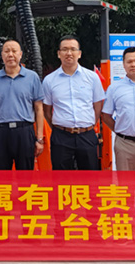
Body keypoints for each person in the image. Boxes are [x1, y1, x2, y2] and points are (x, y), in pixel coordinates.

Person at [42, 35, 105, 170]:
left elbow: (98, 105)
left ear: (79, 53)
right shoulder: (49, 80)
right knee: (61, 178)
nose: (69, 53)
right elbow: (46, 110)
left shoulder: (92, 78)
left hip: (86, 135)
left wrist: (89, 123)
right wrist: (58, 127)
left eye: (73, 49)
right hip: (61, 136)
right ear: (59, 54)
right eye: (65, 49)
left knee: (90, 177)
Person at [0, 40, 45, 170]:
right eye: (6, 51)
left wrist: (39, 138)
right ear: (2, 55)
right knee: (1, 176)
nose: (10, 54)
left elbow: (39, 109)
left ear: (20, 54)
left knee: (25, 176)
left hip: (24, 132)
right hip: (1, 133)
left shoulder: (32, 77)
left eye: (14, 51)